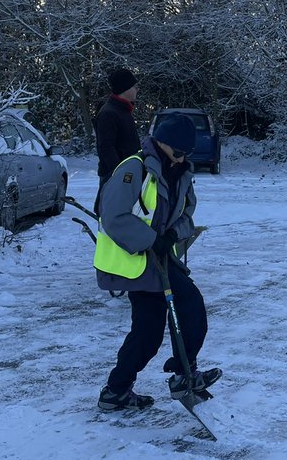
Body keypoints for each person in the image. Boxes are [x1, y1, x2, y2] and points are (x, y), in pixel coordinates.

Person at [94, 113, 220, 412]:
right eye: (177, 153)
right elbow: (112, 215)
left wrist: (175, 233)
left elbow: (187, 214)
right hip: (134, 260)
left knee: (155, 328)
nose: (180, 160)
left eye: (186, 155)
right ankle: (182, 373)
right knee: (179, 309)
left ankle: (117, 391)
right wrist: (152, 240)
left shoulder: (181, 172)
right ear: (161, 143)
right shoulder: (133, 169)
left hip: (159, 257)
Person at [94, 67, 141, 213]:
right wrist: (118, 174)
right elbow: (105, 147)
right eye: (134, 86)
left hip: (127, 174)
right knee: (111, 215)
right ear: (125, 88)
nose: (137, 89)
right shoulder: (109, 113)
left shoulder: (123, 111)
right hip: (114, 177)